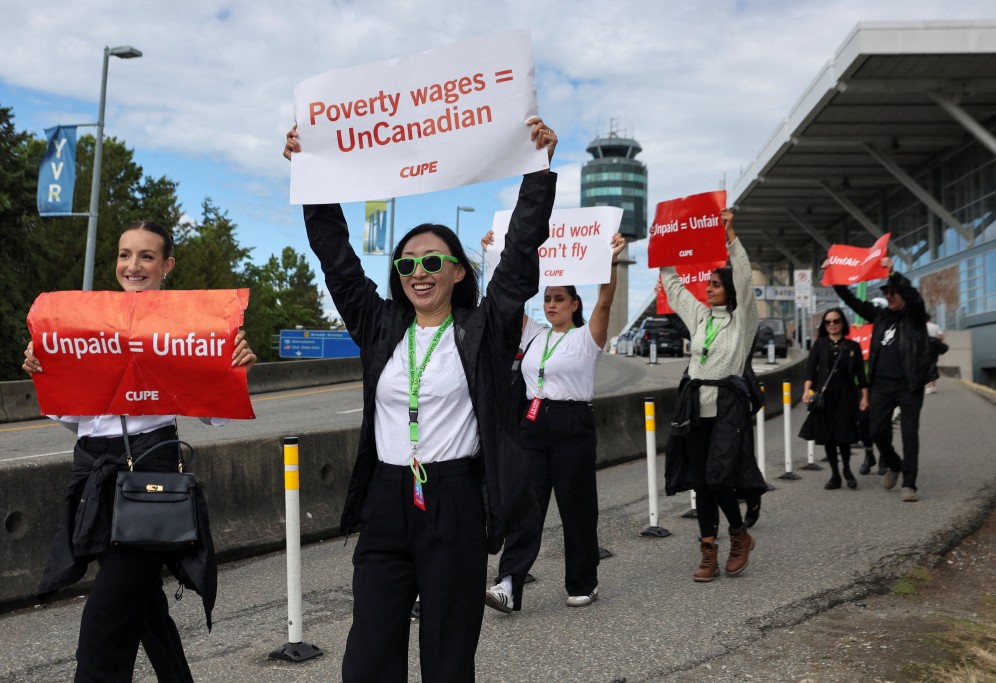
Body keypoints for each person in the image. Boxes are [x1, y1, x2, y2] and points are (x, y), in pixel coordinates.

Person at [285, 118, 557, 683]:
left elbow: (520, 254)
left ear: (458, 271)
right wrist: (311, 177)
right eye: (407, 264)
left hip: (454, 501)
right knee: (367, 660)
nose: (418, 272)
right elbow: (336, 258)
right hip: (387, 500)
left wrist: (538, 172)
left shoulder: (484, 330)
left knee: (447, 657)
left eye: (433, 262)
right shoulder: (379, 325)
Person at [23, 220, 257, 682]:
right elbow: (76, 422)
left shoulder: (192, 325)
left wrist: (235, 367)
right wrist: (44, 370)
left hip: (151, 485)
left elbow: (216, 414)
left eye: (147, 256)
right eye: (124, 254)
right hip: (94, 480)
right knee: (144, 608)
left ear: (166, 265)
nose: (133, 265)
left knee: (104, 623)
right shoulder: (83, 324)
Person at [481, 232, 627, 613]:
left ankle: (583, 583)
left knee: (576, 508)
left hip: (572, 425)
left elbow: (606, 300)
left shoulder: (585, 338)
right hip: (532, 423)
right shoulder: (534, 334)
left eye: (559, 298)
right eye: (547, 298)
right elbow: (504, 301)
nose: (550, 304)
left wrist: (609, 262)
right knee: (524, 506)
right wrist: (493, 255)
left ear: (575, 304)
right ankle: (509, 583)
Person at [659, 209, 767, 582]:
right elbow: (674, 289)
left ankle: (739, 534)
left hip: (727, 408)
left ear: (729, 291)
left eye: (716, 285)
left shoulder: (742, 323)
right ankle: (708, 551)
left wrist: (730, 236)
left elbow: (745, 280)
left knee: (718, 477)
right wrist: (663, 249)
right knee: (701, 483)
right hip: (694, 409)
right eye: (707, 284)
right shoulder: (701, 317)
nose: (708, 288)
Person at [829, 259, 930, 502]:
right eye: (887, 293)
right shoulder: (881, 316)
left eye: (894, 292)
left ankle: (909, 484)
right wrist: (834, 274)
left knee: (909, 434)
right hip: (881, 384)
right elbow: (851, 300)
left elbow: (912, 296)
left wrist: (893, 273)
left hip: (909, 384)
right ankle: (894, 464)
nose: (891, 296)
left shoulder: (914, 316)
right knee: (876, 432)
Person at [799, 307, 869, 490]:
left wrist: (864, 397)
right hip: (825, 398)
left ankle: (846, 469)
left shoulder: (852, 346)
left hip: (846, 397)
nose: (832, 325)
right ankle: (835, 475)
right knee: (828, 437)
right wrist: (807, 391)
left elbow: (861, 375)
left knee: (844, 436)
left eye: (836, 321)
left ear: (842, 323)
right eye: (828, 322)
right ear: (824, 325)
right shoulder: (819, 344)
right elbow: (810, 369)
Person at [925, 313, 946, 394]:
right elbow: (942, 337)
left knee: (926, 367)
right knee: (933, 365)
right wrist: (934, 340)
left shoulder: (919, 326)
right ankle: (933, 386)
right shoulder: (935, 326)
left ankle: (929, 387)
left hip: (924, 348)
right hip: (934, 348)